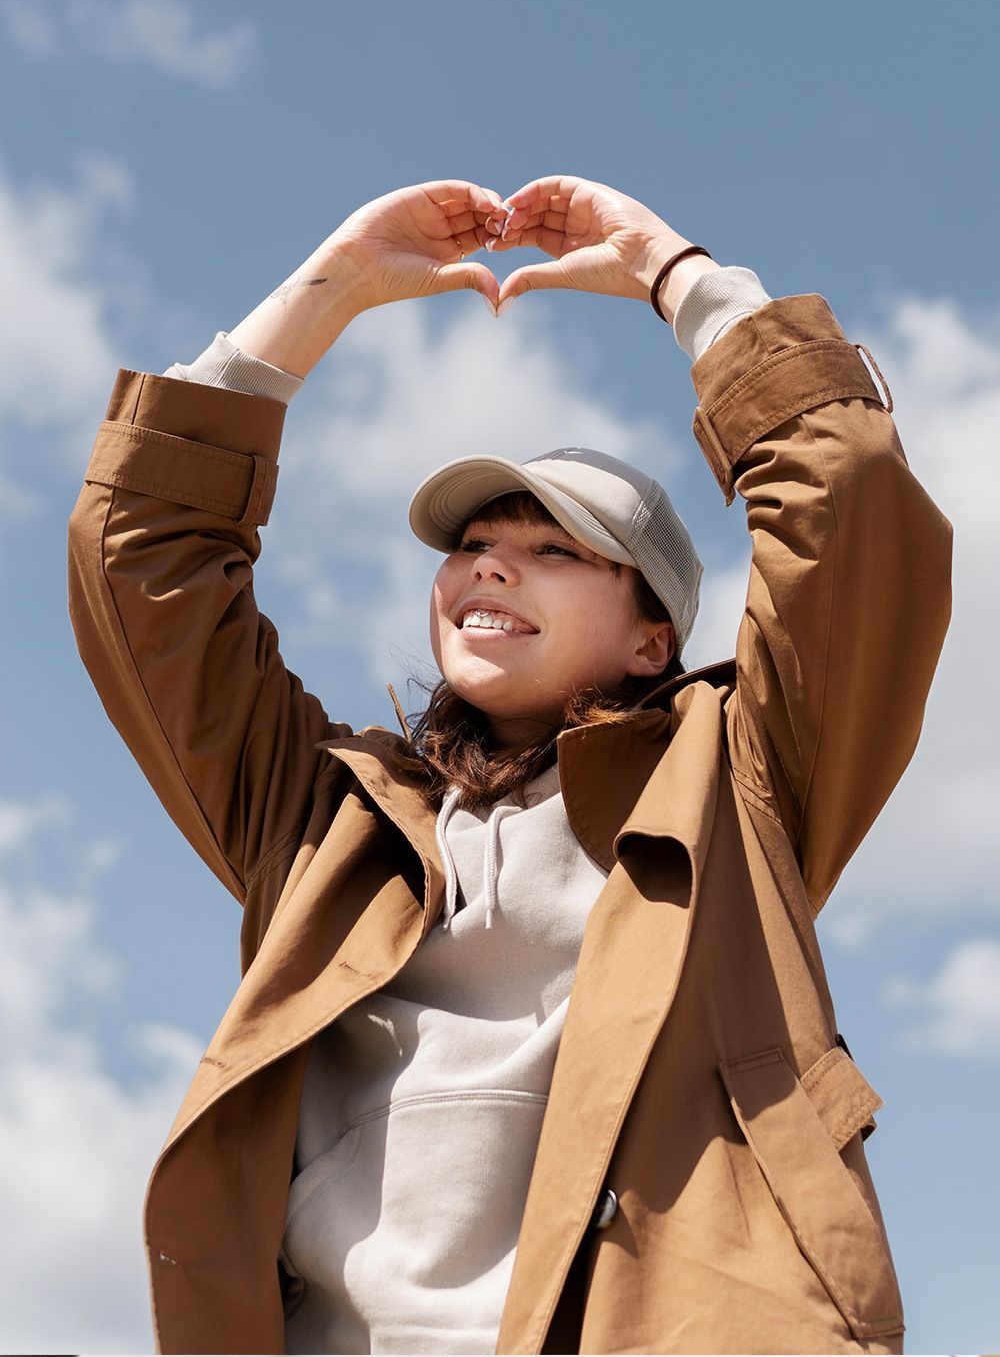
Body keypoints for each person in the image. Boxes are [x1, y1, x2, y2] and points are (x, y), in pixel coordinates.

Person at [67, 175, 952, 1356]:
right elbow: (140, 562)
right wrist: (326, 292)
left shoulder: (742, 776)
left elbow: (847, 497)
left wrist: (674, 275)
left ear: (654, 636)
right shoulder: (320, 815)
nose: (491, 566)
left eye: (552, 549)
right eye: (474, 545)